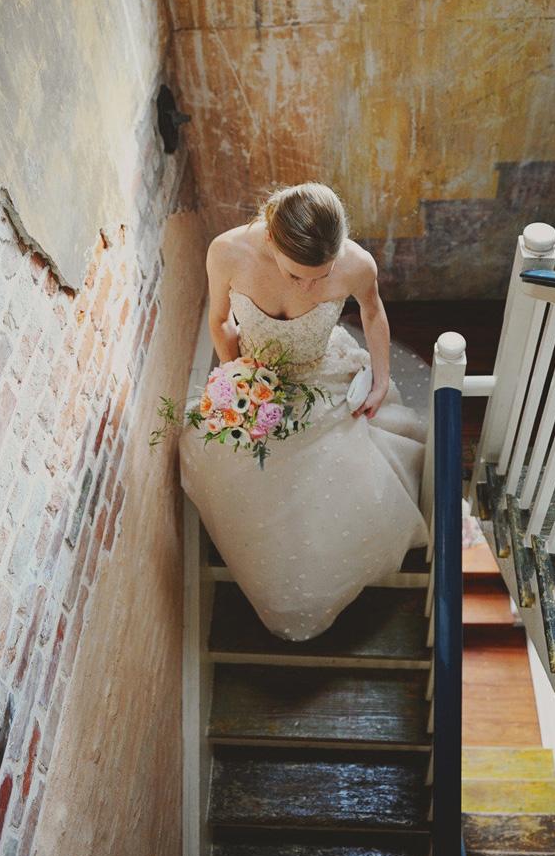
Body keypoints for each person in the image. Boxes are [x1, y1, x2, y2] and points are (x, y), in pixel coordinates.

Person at [178, 182, 431, 641]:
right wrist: (241, 379)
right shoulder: (227, 252)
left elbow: (373, 313)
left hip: (323, 378)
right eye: (298, 277)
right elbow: (220, 321)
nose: (312, 287)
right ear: (272, 241)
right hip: (259, 379)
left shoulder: (357, 264)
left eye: (322, 275)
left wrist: (379, 377)